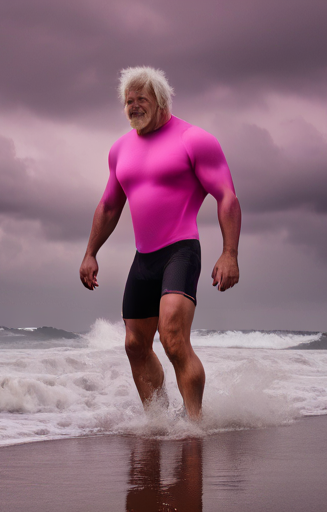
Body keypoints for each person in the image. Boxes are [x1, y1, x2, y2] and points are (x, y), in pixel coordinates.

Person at [80, 66, 241, 420]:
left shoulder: (193, 139)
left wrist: (230, 253)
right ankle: (159, 421)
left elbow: (226, 196)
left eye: (142, 100)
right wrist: (91, 252)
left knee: (172, 337)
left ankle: (195, 424)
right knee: (135, 344)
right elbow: (109, 205)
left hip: (180, 250)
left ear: (161, 101)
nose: (134, 107)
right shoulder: (120, 149)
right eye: (128, 102)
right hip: (144, 258)